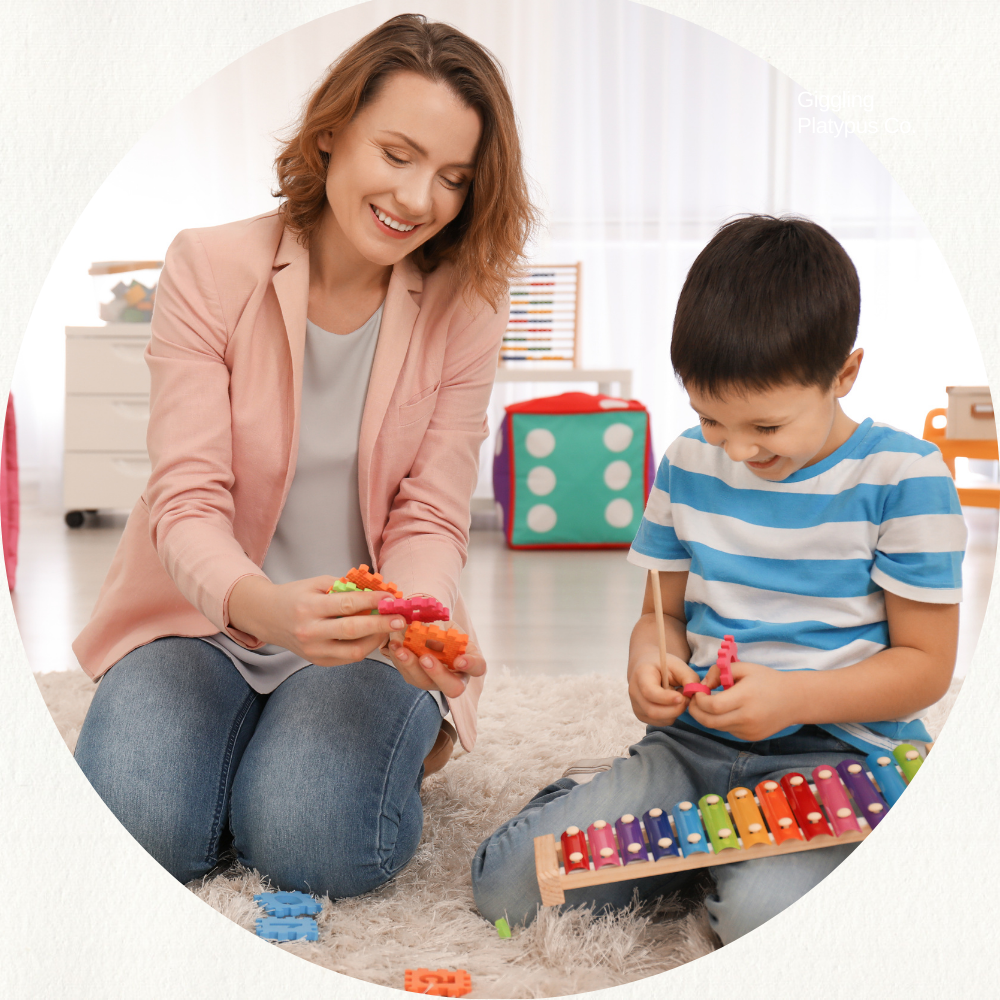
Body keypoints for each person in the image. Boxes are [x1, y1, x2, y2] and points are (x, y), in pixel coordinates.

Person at [72, 14, 535, 898]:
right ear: (332, 137)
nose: (418, 197)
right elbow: (187, 500)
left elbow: (431, 512)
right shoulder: (210, 268)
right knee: (135, 828)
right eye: (396, 154)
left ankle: (311, 747)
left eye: (452, 177)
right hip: (202, 615)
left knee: (314, 843)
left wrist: (415, 618)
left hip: (366, 637)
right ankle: (254, 735)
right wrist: (264, 609)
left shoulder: (465, 308)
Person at [471, 214, 964, 943]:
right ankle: (672, 827)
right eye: (710, 417)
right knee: (507, 889)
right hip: (694, 746)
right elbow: (661, 616)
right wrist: (650, 660)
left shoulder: (904, 477)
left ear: (845, 374)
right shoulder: (685, 463)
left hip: (836, 756)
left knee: (762, 921)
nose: (735, 450)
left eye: (765, 427)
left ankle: (708, 851)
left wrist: (795, 697)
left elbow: (926, 668)